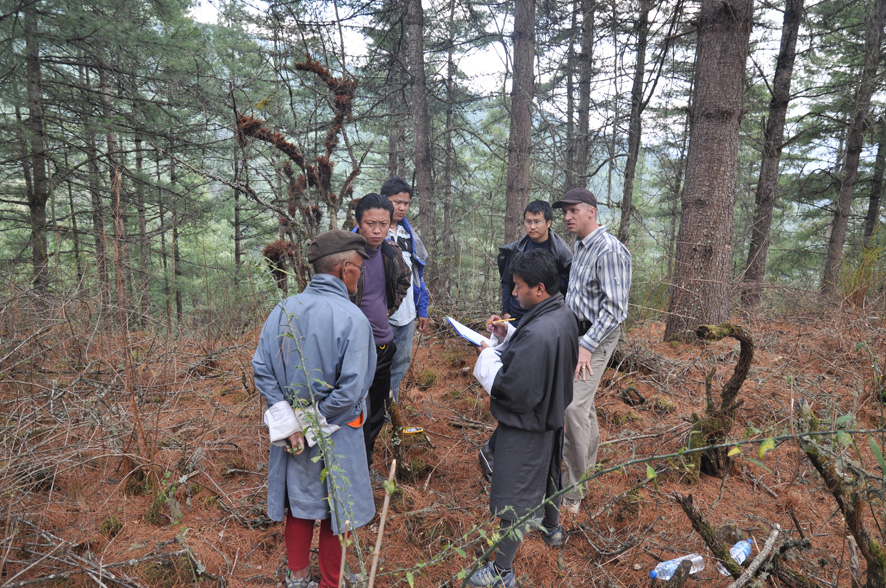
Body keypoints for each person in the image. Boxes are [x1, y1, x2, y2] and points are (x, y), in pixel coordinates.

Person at [253, 230, 376, 588]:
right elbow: (353, 390)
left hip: (292, 434)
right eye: (358, 268)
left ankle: (298, 578)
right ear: (343, 269)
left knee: (301, 504)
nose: (360, 275)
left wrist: (292, 423)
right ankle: (329, 583)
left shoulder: (283, 310)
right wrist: (315, 423)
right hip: (339, 431)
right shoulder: (353, 319)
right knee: (339, 509)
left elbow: (262, 367)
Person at [468, 250, 579, 588]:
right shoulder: (561, 314)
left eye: (518, 287)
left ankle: (502, 573)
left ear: (539, 288)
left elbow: (513, 389)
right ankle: (552, 529)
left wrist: (488, 355)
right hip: (549, 416)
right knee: (547, 475)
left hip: (527, 425)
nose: (513, 293)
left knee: (515, 497)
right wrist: (507, 336)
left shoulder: (541, 331)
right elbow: (537, 352)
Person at [552, 188, 631, 513]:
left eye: (574, 211)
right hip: (578, 334)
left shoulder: (610, 250)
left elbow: (615, 311)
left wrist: (587, 345)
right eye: (565, 212)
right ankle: (587, 469)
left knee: (572, 409)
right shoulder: (581, 246)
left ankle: (572, 494)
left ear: (591, 212)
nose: (568, 217)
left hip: (597, 337)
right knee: (584, 406)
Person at [353, 193, 411, 473]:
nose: (377, 231)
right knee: (351, 410)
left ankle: (365, 463)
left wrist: (390, 306)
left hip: (382, 346)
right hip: (352, 349)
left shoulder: (391, 253)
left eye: (383, 224)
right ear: (358, 223)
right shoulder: (347, 255)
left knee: (376, 412)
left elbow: (405, 279)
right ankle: (350, 465)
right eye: (370, 224)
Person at [380, 177, 430, 402]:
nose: (401, 207)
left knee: (400, 364)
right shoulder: (372, 234)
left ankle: (392, 410)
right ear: (384, 200)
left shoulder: (410, 236)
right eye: (396, 201)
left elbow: (418, 277)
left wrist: (422, 309)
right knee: (377, 364)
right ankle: (374, 411)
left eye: (406, 203)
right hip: (381, 315)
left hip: (407, 315)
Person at [497, 200, 572, 324]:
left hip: (545, 317)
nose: (532, 227)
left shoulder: (560, 253)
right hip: (516, 315)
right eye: (528, 222)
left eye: (537, 222)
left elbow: (564, 289)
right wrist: (506, 311)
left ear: (548, 223)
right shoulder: (517, 249)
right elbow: (506, 281)